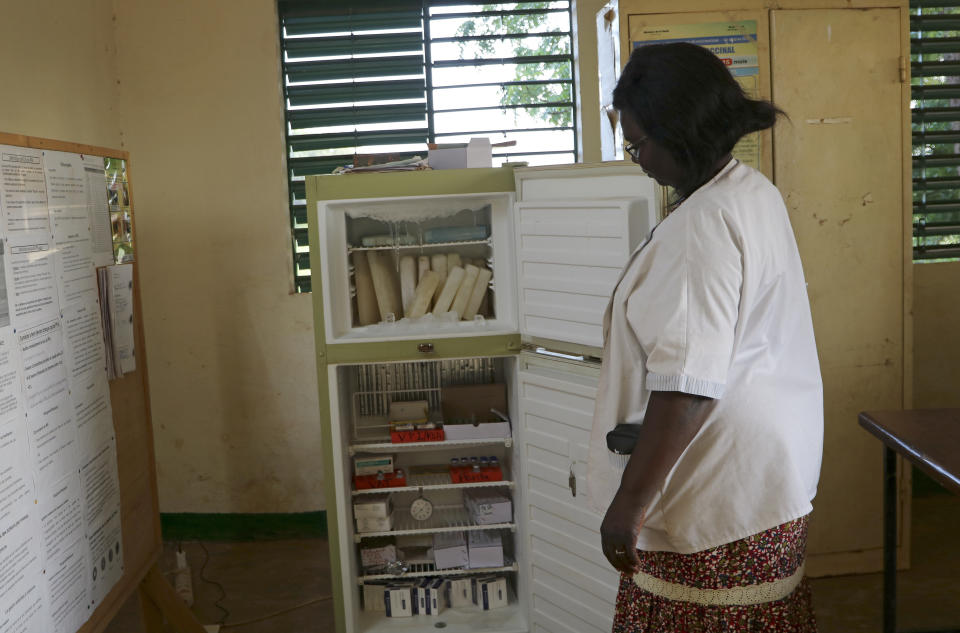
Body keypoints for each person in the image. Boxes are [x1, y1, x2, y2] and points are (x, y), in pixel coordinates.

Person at [585, 42, 823, 632]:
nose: (637, 159)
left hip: (716, 493)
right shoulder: (750, 191)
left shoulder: (702, 228)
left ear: (681, 131)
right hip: (765, 478)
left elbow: (686, 384)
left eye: (639, 143)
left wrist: (629, 505)